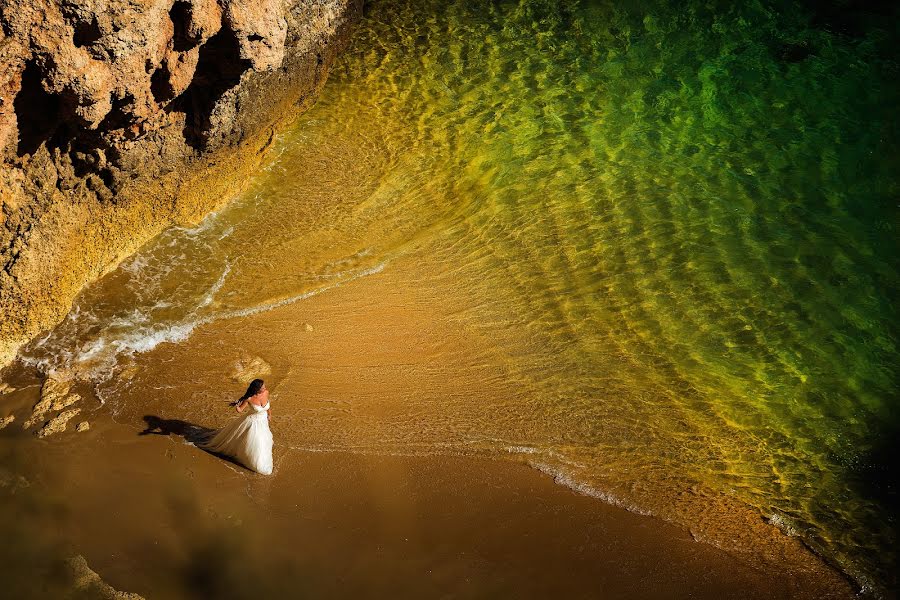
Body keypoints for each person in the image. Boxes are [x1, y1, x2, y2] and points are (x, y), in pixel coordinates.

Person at [199, 378, 273, 475]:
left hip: (263, 421)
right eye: (262, 387)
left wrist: (269, 414)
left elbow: (268, 406)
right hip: (253, 423)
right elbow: (240, 410)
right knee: (256, 442)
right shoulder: (249, 398)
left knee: (264, 440)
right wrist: (237, 405)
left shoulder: (266, 392)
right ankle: (256, 463)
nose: (264, 388)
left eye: (264, 386)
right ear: (257, 389)